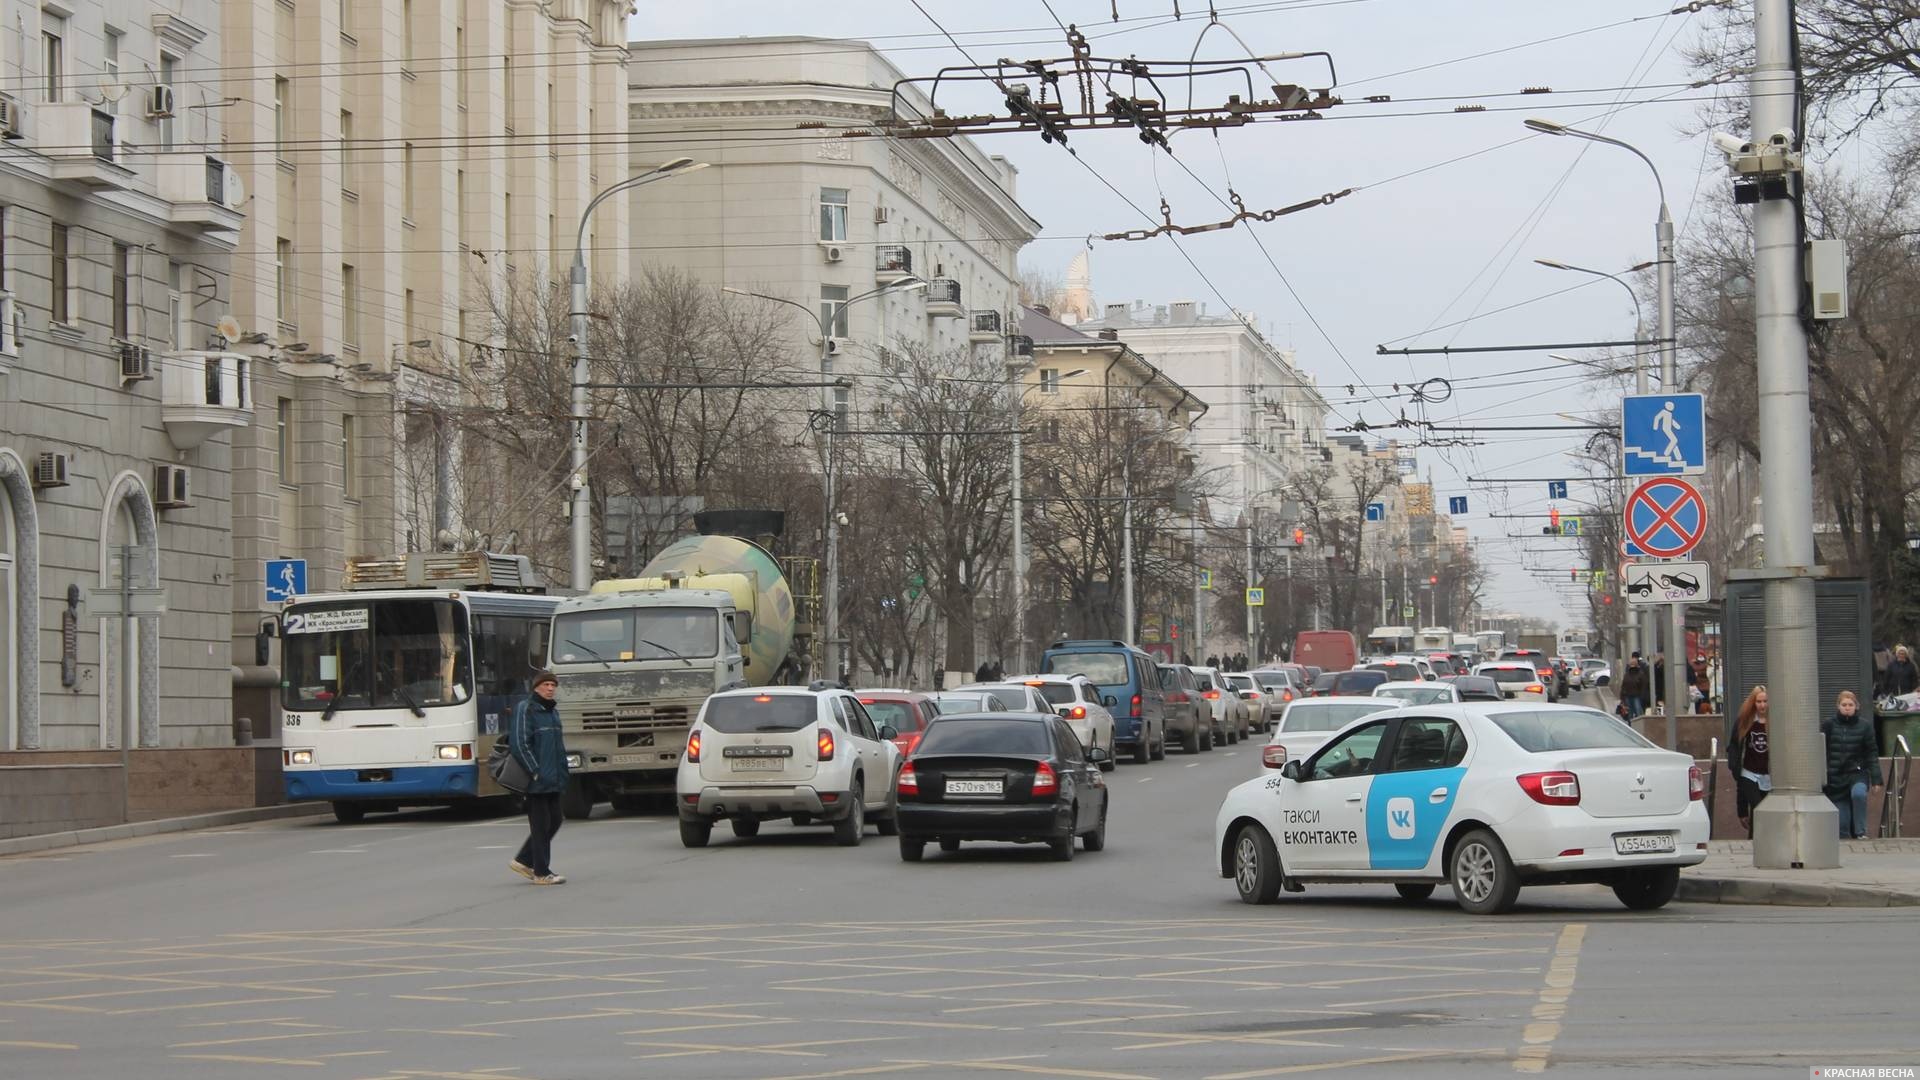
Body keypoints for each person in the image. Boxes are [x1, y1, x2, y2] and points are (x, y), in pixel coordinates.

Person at [509, 671, 570, 885]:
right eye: (546, 684)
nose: (550, 688)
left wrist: (563, 772)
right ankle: (541, 872)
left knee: (555, 820)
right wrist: (535, 770)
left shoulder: (552, 712)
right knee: (541, 824)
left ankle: (523, 860)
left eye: (553, 685)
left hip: (553, 778)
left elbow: (557, 748)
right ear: (536, 687)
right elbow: (519, 744)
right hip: (536, 779)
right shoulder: (526, 709)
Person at [1822, 690, 1884, 840]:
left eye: (1850, 705)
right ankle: (1848, 845)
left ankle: (1861, 832)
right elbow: (1820, 750)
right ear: (1838, 706)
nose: (1847, 708)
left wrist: (1876, 779)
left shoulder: (1865, 726)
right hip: (1836, 777)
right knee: (1842, 826)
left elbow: (1872, 753)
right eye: (1844, 705)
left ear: (1856, 706)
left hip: (1857, 772)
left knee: (1859, 794)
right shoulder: (1828, 725)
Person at [1728, 684, 1772, 837]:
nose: (1762, 705)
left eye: (1765, 701)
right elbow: (1734, 744)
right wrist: (1734, 765)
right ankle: (1756, 841)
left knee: (1762, 811)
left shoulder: (1775, 722)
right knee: (1758, 806)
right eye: (1759, 702)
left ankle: (1756, 840)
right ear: (1753, 703)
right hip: (1749, 772)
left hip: (1769, 773)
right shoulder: (1745, 721)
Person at [1618, 654, 1650, 719]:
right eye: (1631, 664)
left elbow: (1644, 686)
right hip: (1628, 696)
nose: (1632, 666)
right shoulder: (1627, 674)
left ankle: (1638, 725)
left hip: (1636, 696)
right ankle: (1630, 725)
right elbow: (1624, 685)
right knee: (1629, 713)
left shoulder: (1640, 674)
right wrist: (1622, 697)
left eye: (1633, 664)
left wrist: (1642, 696)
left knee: (1638, 712)